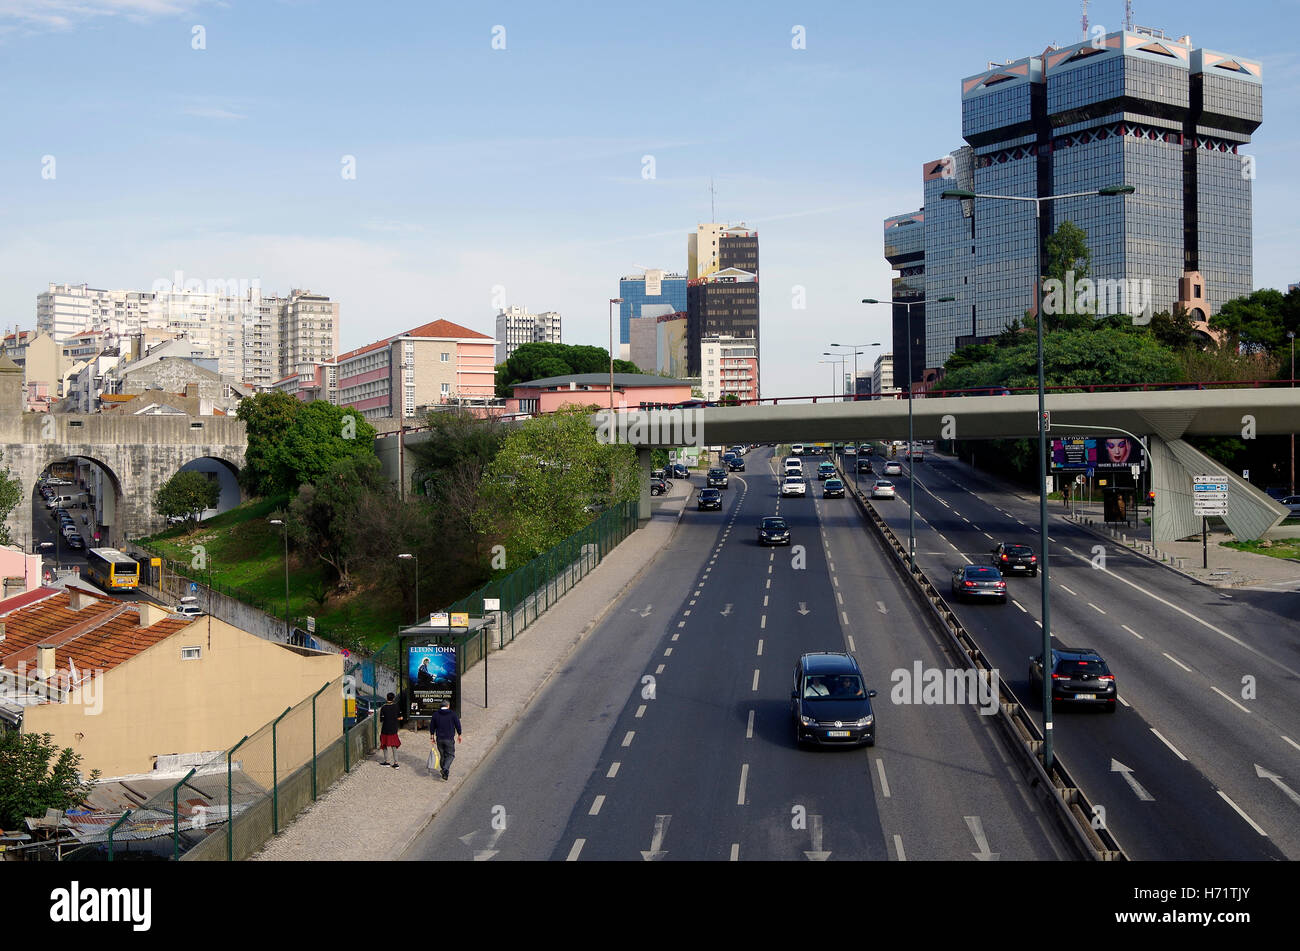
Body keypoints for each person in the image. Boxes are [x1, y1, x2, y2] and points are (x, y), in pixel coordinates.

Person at [429, 699, 463, 781]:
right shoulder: (452, 714)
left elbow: (432, 726)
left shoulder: (436, 715)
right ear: (448, 706)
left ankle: (445, 773)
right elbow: (458, 725)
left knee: (443, 755)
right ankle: (445, 769)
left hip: (439, 739)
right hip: (449, 738)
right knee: (451, 755)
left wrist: (432, 737)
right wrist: (459, 734)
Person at [378, 692, 402, 768]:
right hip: (393, 729)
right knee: (394, 746)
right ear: (393, 698)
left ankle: (387, 761)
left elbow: (381, 720)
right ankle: (396, 763)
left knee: (384, 744)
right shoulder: (396, 707)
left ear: (387, 697)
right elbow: (400, 718)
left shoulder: (383, 707)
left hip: (385, 729)